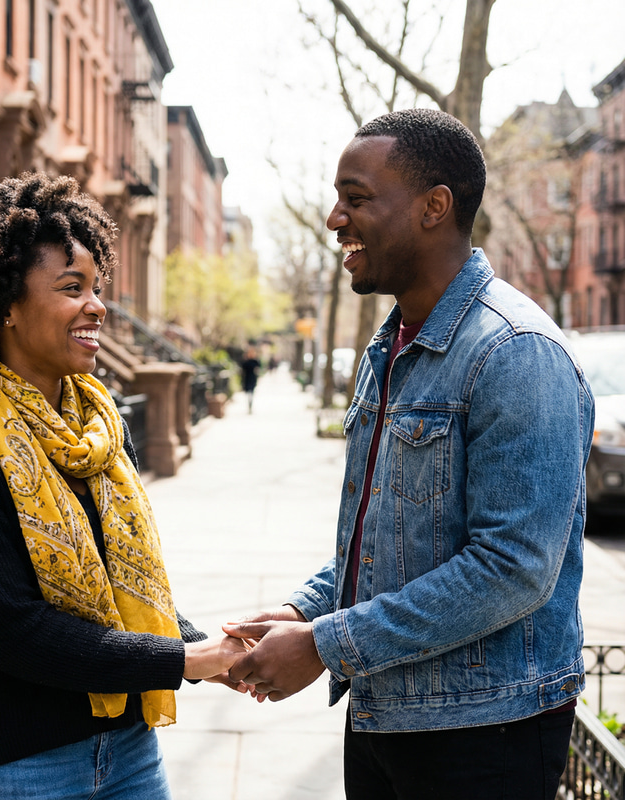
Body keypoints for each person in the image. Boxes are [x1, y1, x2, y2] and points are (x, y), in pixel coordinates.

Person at [224, 109, 594, 800]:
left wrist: (326, 646)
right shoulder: (392, 346)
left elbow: (512, 569)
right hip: (385, 715)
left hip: (485, 733)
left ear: (434, 207)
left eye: (356, 198)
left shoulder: (516, 352)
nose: (335, 219)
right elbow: (390, 536)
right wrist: (307, 612)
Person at [0, 172, 247, 800]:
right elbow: (15, 632)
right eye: (72, 288)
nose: (98, 306)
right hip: (14, 766)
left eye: (97, 287)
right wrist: (181, 662)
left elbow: (122, 588)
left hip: (128, 750)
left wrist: (207, 647)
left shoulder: (98, 428)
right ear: (5, 306)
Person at [240, 346, 261, 412]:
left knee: (251, 392)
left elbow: (258, 368)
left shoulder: (255, 361)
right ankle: (249, 404)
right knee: (249, 392)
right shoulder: (247, 361)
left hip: (252, 378)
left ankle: (250, 405)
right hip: (247, 378)